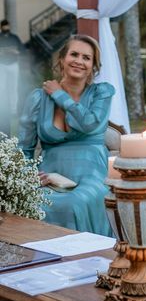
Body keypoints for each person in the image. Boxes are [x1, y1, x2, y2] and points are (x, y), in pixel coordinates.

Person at [17, 34, 114, 236]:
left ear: (93, 66)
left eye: (86, 58)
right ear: (62, 59)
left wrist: (59, 95)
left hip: (91, 176)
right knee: (33, 203)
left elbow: (89, 123)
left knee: (74, 203)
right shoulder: (38, 98)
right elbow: (23, 148)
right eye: (74, 54)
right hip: (50, 178)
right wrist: (28, 176)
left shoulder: (101, 93)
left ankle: (85, 260)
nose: (79, 61)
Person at [0, 19, 25, 136]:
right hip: (2, 64)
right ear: (1, 27)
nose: (6, 27)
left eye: (7, 25)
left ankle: (13, 110)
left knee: (13, 87)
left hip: (13, 64)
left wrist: (15, 52)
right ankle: (3, 106)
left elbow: (22, 50)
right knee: (2, 87)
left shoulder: (14, 38)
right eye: (4, 26)